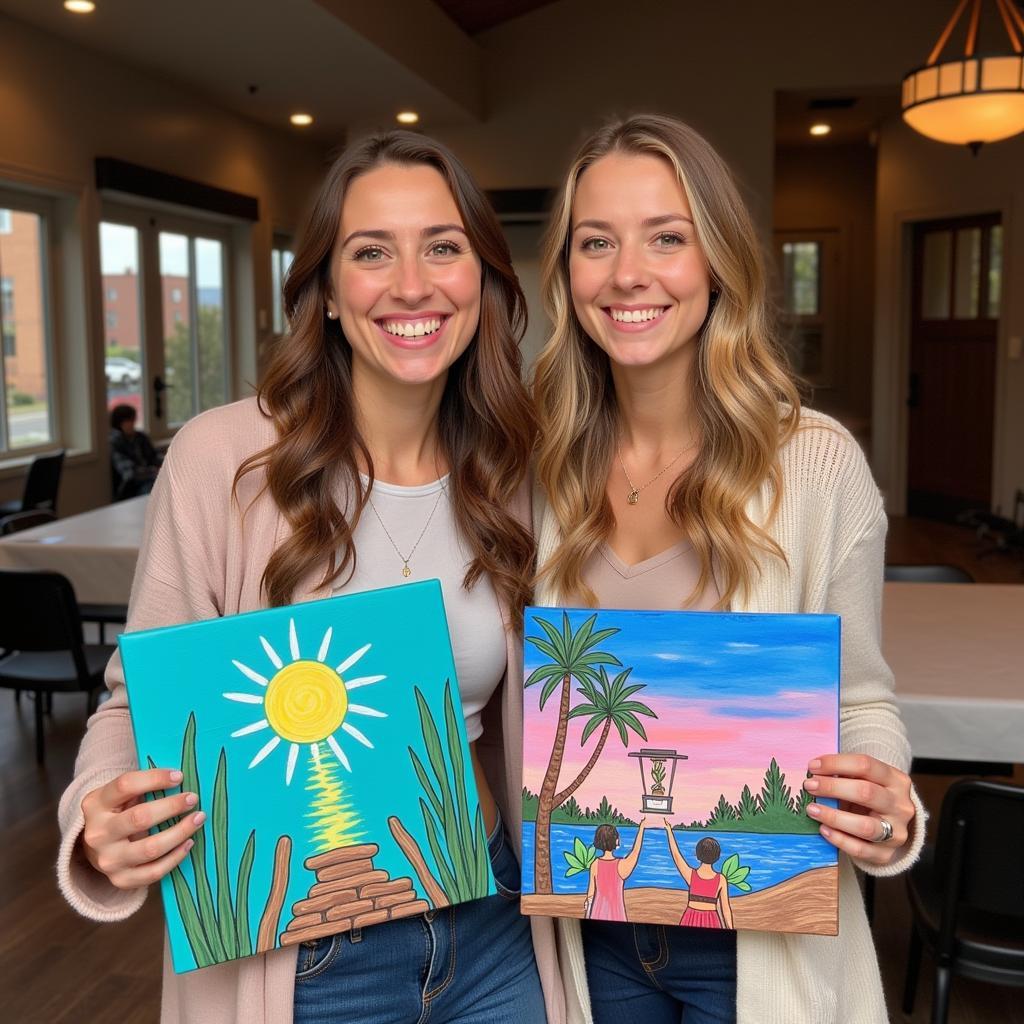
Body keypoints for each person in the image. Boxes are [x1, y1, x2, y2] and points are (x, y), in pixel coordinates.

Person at [57, 132, 560, 1024]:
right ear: (326, 292)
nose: (412, 284)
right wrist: (95, 817)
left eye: (444, 247)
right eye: (371, 253)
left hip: (492, 923)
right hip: (309, 956)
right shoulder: (227, 459)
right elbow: (137, 701)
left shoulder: (519, 470)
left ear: (482, 277)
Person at [531, 114, 925, 1024]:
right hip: (586, 952)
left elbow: (863, 699)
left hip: (759, 956)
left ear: (719, 262)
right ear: (568, 274)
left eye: (667, 237)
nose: (629, 272)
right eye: (597, 242)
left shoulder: (815, 467)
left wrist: (883, 798)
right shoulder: (536, 467)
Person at [663, 830, 734, 930]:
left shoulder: (691, 875)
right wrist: (730, 929)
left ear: (697, 854)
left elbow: (676, 856)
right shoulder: (721, 879)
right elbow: (725, 909)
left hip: (690, 918)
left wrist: (669, 831)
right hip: (711, 920)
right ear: (717, 856)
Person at [584, 819, 647, 922]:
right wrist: (641, 828)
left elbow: (590, 895)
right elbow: (635, 852)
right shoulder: (620, 865)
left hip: (596, 913)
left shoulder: (595, 864)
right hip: (617, 915)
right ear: (616, 840)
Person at [109, 403, 162, 500]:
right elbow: (129, 472)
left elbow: (154, 456)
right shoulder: (115, 442)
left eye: (133, 420)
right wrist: (153, 471)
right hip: (132, 486)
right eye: (129, 420)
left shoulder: (141, 437)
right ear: (120, 422)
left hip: (151, 477)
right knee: (151, 489)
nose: (133, 423)